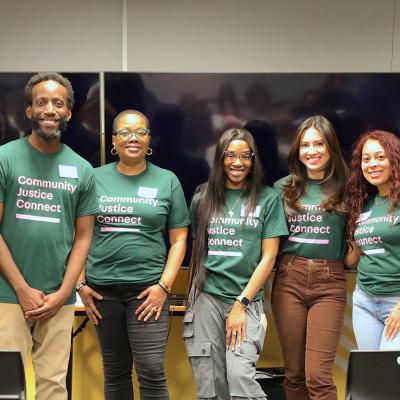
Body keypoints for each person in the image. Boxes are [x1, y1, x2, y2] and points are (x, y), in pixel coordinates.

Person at [77, 110, 189, 400]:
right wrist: (80, 285)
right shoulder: (93, 178)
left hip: (149, 293)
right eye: (125, 132)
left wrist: (164, 287)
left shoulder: (167, 180)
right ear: (113, 140)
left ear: (149, 139)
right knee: (115, 371)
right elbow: (79, 235)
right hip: (102, 293)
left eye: (140, 132)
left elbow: (179, 240)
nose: (133, 138)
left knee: (151, 370)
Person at [0, 72, 98, 400]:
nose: (50, 109)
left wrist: (63, 292)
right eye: (41, 102)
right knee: (7, 387)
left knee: (53, 387)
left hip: (59, 297)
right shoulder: (4, 158)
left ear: (69, 112)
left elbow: (83, 238)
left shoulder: (82, 169)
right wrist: (22, 289)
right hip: (8, 295)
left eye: (58, 103)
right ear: (28, 110)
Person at [184, 128, 288, 400]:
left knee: (240, 376)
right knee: (210, 384)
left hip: (246, 299)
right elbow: (197, 251)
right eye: (230, 155)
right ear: (220, 158)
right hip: (206, 297)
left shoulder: (268, 198)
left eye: (245, 156)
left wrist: (240, 304)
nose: (237, 162)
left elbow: (269, 257)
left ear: (254, 160)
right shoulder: (201, 199)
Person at [272, 115, 349, 400]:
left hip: (329, 284)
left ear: (330, 148)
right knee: (293, 373)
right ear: (297, 149)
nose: (312, 151)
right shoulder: (283, 188)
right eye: (305, 145)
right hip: (289, 278)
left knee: (318, 376)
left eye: (319, 144)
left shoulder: (349, 187)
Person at [346, 130, 400, 350]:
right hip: (364, 302)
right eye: (365, 159)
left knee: (390, 377)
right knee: (372, 377)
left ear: (394, 159)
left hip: (396, 302)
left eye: (380, 157)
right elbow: (351, 260)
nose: (372, 164)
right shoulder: (363, 204)